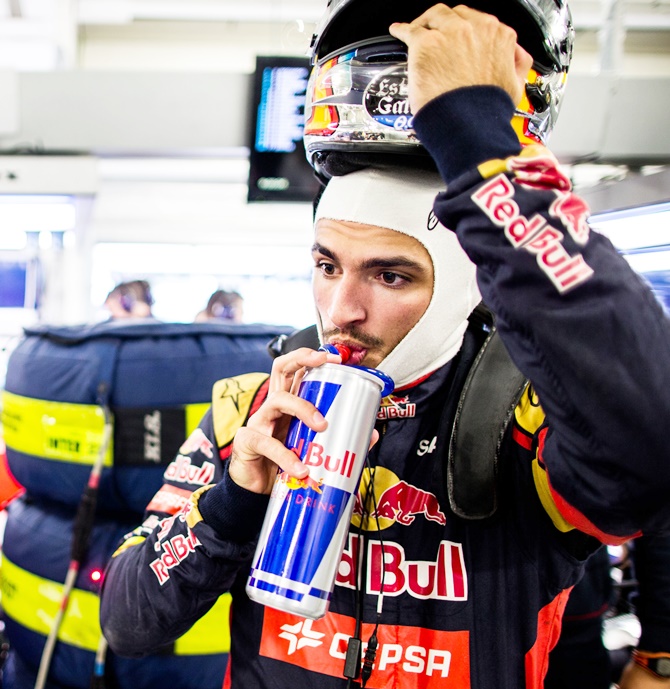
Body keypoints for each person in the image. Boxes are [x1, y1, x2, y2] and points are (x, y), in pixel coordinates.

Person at [99, 3, 670, 689]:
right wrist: (235, 496)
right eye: (327, 265)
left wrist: (484, 142)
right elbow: (128, 620)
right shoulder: (253, 407)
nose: (342, 310)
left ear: (468, 280)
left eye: (390, 274)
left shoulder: (533, 423)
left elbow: (648, 431)